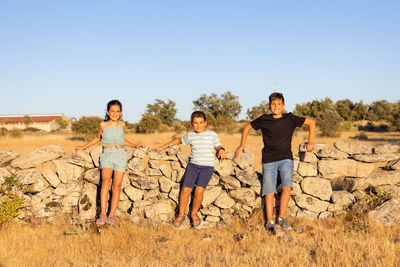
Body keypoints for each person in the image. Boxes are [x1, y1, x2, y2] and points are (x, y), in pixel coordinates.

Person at [235, 92, 315, 233]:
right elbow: (247, 127)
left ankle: (281, 218)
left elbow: (311, 123)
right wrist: (242, 144)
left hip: (286, 158)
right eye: (273, 104)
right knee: (269, 190)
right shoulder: (264, 119)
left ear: (283, 106)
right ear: (268, 106)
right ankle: (269, 221)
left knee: (287, 188)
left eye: (279, 104)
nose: (276, 107)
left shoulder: (290, 118)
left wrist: (311, 142)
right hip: (269, 159)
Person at [75, 100, 144, 226]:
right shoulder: (103, 125)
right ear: (108, 112)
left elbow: (122, 140)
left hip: (121, 155)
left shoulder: (122, 125)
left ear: (121, 113)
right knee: (106, 182)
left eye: (117, 111)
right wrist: (84, 147)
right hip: (107, 155)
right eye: (112, 111)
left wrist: (135, 145)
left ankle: (111, 215)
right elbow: (97, 138)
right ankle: (102, 214)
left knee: (116, 186)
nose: (115, 114)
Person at [156, 111, 226, 227]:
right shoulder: (190, 136)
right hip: (193, 166)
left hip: (207, 167)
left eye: (201, 123)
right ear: (191, 124)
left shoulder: (212, 134)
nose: (198, 125)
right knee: (185, 190)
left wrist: (221, 149)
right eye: (195, 123)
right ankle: (181, 214)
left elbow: (217, 145)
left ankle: (193, 214)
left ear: (205, 123)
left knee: (199, 190)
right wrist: (162, 147)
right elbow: (177, 140)